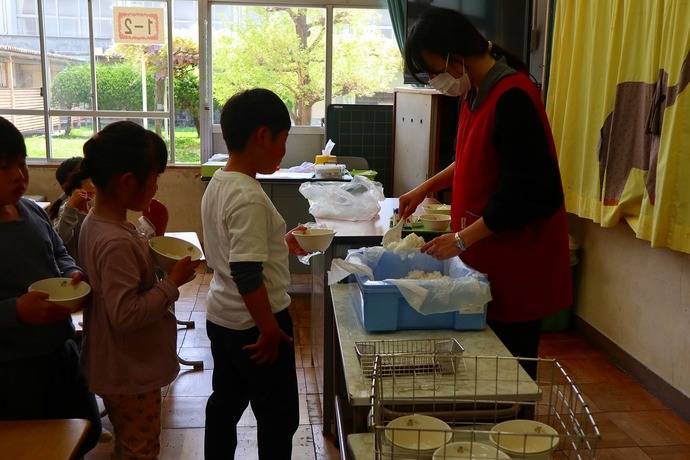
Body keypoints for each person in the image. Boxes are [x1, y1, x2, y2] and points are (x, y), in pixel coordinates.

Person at [398, 7, 572, 378]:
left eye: (432, 71)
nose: (434, 81)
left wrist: (460, 240)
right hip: (485, 258)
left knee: (509, 375)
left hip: (516, 263)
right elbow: (473, 156)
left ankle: (513, 434)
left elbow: (527, 193)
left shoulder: (513, 96)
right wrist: (426, 187)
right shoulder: (474, 92)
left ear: (454, 56)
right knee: (482, 372)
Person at [78, 121, 199, 458]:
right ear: (128, 182)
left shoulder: (98, 222)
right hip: (129, 369)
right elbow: (126, 314)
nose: (157, 186)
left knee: (133, 444)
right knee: (140, 450)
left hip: (118, 361)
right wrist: (172, 283)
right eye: (155, 178)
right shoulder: (115, 240)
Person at [201, 88, 307, 459]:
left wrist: (279, 239)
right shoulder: (247, 195)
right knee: (278, 418)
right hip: (257, 325)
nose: (283, 150)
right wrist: (268, 329)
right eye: (283, 140)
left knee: (225, 403)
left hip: (223, 316)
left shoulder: (220, 182)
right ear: (262, 135)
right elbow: (246, 271)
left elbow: (235, 247)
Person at [0, 116, 102, 457]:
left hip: (60, 351)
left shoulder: (32, 211)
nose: (19, 175)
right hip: (13, 368)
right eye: (3, 168)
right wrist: (16, 309)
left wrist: (73, 273)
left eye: (21, 163)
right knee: (34, 445)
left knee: (84, 430)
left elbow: (58, 252)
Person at [47, 156, 95, 267]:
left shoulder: (93, 209)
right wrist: (70, 208)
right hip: (76, 274)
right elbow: (60, 239)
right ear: (67, 187)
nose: (92, 185)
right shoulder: (65, 213)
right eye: (85, 179)